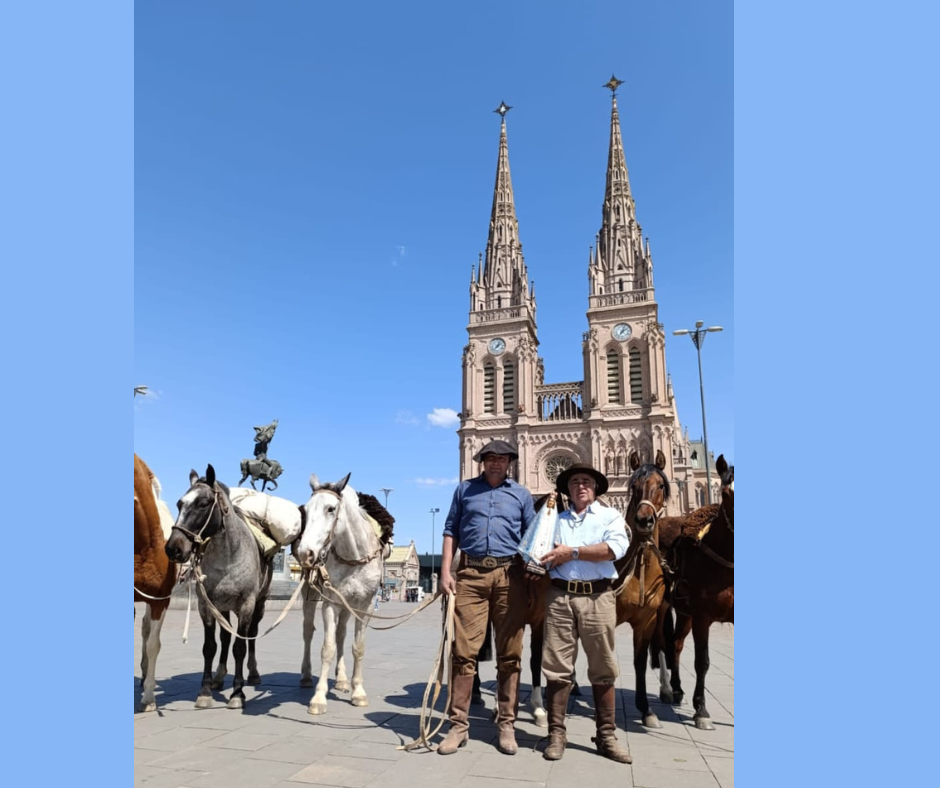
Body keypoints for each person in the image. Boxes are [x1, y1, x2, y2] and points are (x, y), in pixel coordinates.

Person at [438, 439, 536, 756]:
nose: (496, 463)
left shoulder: (520, 494)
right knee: (462, 652)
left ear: (510, 462)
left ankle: (506, 725)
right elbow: (451, 528)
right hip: (470, 575)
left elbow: (533, 534)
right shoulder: (464, 490)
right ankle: (458, 726)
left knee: (510, 654)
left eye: (502, 458)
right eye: (490, 458)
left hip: (510, 577)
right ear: (482, 461)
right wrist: (445, 572)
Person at [537, 463, 632, 764]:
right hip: (560, 597)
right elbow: (539, 549)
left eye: (586, 481)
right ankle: (556, 734)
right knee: (557, 667)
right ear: (568, 489)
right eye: (575, 482)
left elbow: (614, 549)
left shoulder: (610, 516)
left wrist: (572, 552)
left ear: (595, 488)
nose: (581, 486)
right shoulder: (554, 519)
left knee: (603, 666)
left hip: (598, 597)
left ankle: (606, 736)